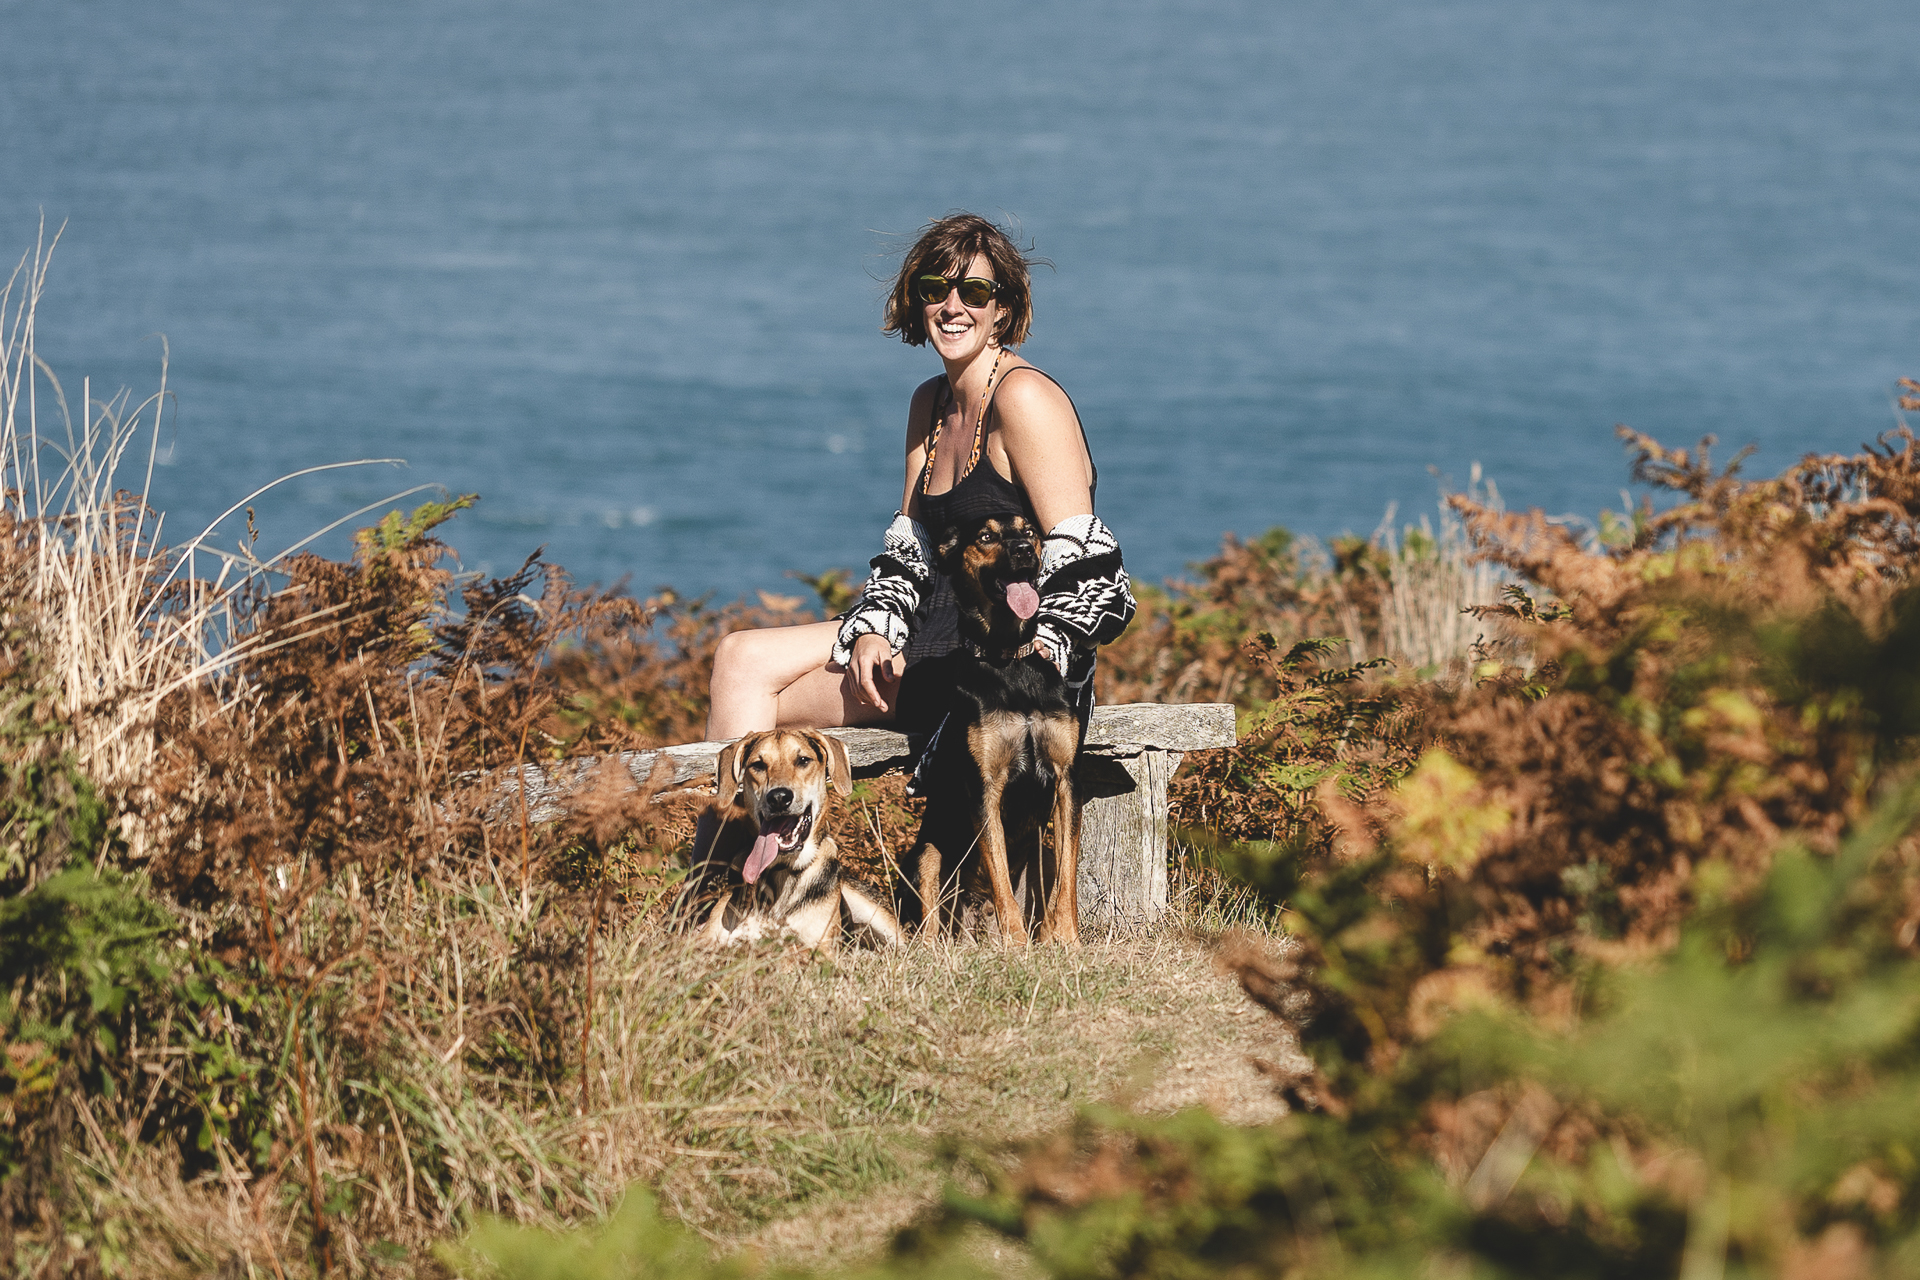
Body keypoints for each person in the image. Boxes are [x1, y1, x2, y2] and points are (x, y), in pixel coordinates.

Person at [705, 211, 1136, 743]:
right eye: (936, 289)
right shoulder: (929, 401)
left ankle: (722, 802)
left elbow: (1087, 563)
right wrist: (873, 631)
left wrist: (1039, 655)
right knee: (739, 656)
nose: (953, 307)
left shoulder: (1024, 398)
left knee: (760, 704)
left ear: (1001, 309)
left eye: (974, 292)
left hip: (995, 662)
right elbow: (911, 553)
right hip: (928, 627)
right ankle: (739, 801)